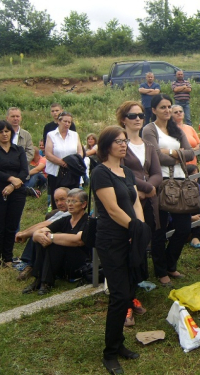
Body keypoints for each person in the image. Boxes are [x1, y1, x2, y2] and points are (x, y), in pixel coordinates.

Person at [92, 126, 150, 374]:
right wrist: (135, 230)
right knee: (119, 296)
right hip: (111, 239)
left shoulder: (126, 171)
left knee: (128, 291)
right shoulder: (100, 173)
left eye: (125, 141)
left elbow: (135, 201)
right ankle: (110, 353)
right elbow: (113, 209)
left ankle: (119, 343)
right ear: (107, 146)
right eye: (118, 141)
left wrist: (140, 227)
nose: (124, 144)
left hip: (129, 236)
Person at [142, 94, 195, 288]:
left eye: (169, 107)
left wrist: (171, 152)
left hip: (180, 181)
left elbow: (190, 153)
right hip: (161, 181)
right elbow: (155, 157)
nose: (166, 110)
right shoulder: (149, 129)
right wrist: (178, 155)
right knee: (159, 228)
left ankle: (170, 263)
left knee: (184, 227)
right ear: (154, 110)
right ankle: (161, 270)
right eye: (162, 107)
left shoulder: (176, 129)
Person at [117, 100, 162, 277]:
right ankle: (132, 274)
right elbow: (121, 170)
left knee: (149, 233)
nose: (138, 119)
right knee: (132, 235)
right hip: (129, 197)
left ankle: (144, 274)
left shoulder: (148, 145)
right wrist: (145, 187)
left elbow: (157, 173)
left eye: (141, 115)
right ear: (123, 119)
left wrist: (149, 188)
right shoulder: (120, 144)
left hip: (150, 198)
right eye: (132, 115)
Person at [22, 188, 90, 295]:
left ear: (83, 204)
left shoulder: (87, 220)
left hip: (80, 263)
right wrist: (38, 235)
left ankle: (46, 282)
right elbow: (41, 231)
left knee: (54, 244)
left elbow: (78, 240)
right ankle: (39, 279)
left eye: (74, 201)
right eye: (68, 201)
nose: (70, 204)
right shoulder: (65, 220)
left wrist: (52, 237)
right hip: (62, 261)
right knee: (42, 240)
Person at [15, 188, 70, 281]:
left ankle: (29, 264)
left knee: (40, 232)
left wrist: (24, 234)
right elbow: (43, 223)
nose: (59, 203)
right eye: (56, 200)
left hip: (63, 244)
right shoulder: (61, 212)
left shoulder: (69, 213)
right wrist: (24, 233)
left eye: (62, 199)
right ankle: (29, 263)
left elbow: (46, 225)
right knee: (38, 231)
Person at [0, 120, 28, 267]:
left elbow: (25, 171)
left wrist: (13, 185)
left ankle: (7, 258)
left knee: (11, 225)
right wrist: (10, 179)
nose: (4, 134)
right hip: (1, 190)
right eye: (1, 132)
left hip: (17, 192)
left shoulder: (18, 150)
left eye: (7, 131)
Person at [45, 111, 84, 208]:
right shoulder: (51, 135)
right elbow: (48, 154)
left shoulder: (75, 135)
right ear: (59, 121)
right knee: (58, 200)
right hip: (56, 172)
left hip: (72, 172)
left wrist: (74, 164)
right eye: (65, 121)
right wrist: (63, 164)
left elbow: (80, 152)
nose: (67, 124)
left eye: (69, 122)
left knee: (73, 198)